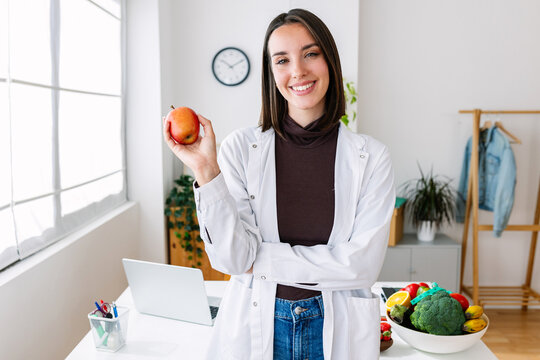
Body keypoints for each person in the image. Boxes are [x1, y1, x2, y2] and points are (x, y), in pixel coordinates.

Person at [163, 8, 395, 360]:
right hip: (258, 323)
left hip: (337, 327)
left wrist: (262, 259)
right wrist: (206, 169)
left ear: (329, 60)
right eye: (282, 60)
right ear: (271, 74)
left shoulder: (372, 157)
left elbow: (361, 267)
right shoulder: (240, 149)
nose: (298, 71)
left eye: (310, 54)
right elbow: (233, 258)